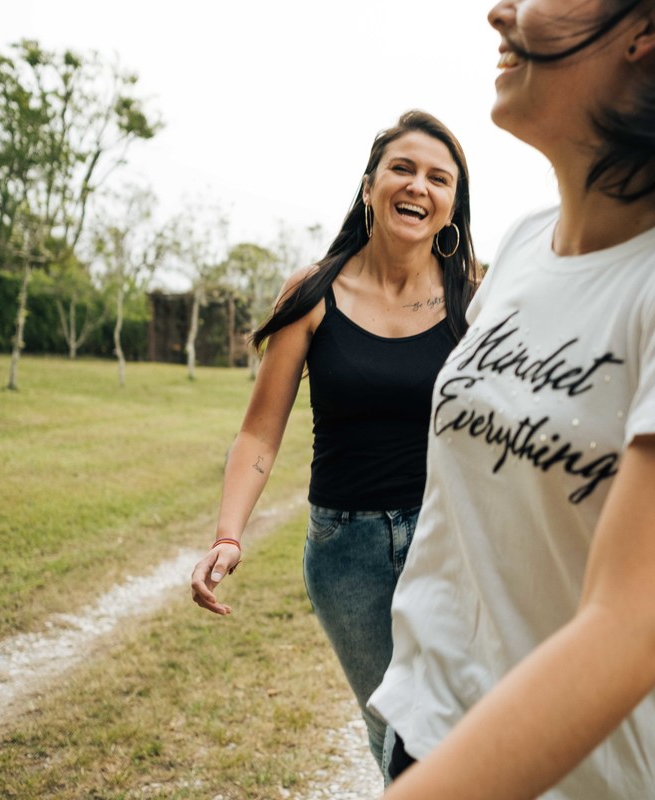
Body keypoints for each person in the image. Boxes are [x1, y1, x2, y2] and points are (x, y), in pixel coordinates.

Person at [369, 0, 655, 797]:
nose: (500, 12)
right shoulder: (523, 245)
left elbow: (633, 625)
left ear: (647, 23)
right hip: (441, 740)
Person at [188, 110, 478, 773]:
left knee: (448, 734)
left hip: (450, 542)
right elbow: (260, 433)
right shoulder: (315, 291)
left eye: (439, 177)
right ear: (371, 182)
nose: (418, 186)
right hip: (348, 554)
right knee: (395, 734)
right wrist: (229, 536)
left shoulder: (474, 303)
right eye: (402, 168)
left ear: (453, 203)